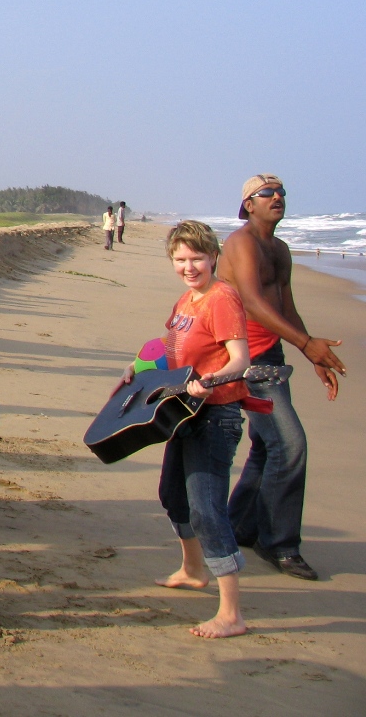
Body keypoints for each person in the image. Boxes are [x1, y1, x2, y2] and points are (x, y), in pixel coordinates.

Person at [115, 220, 249, 638]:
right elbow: (168, 349)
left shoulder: (221, 297)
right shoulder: (186, 301)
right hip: (184, 413)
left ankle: (231, 613)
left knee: (208, 510)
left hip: (216, 415)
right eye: (180, 259)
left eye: (196, 258)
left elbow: (240, 359)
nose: (189, 267)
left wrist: (209, 381)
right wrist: (136, 369)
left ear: (213, 257)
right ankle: (193, 569)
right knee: (173, 496)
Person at [217, 175, 346, 581]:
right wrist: (308, 344)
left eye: (281, 193)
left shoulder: (281, 249)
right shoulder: (241, 244)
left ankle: (240, 524)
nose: (277, 198)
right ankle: (280, 544)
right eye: (266, 194)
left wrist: (313, 356)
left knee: (268, 444)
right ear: (248, 205)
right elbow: (253, 303)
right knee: (290, 444)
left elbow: (285, 306)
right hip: (244, 358)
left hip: (270, 355)